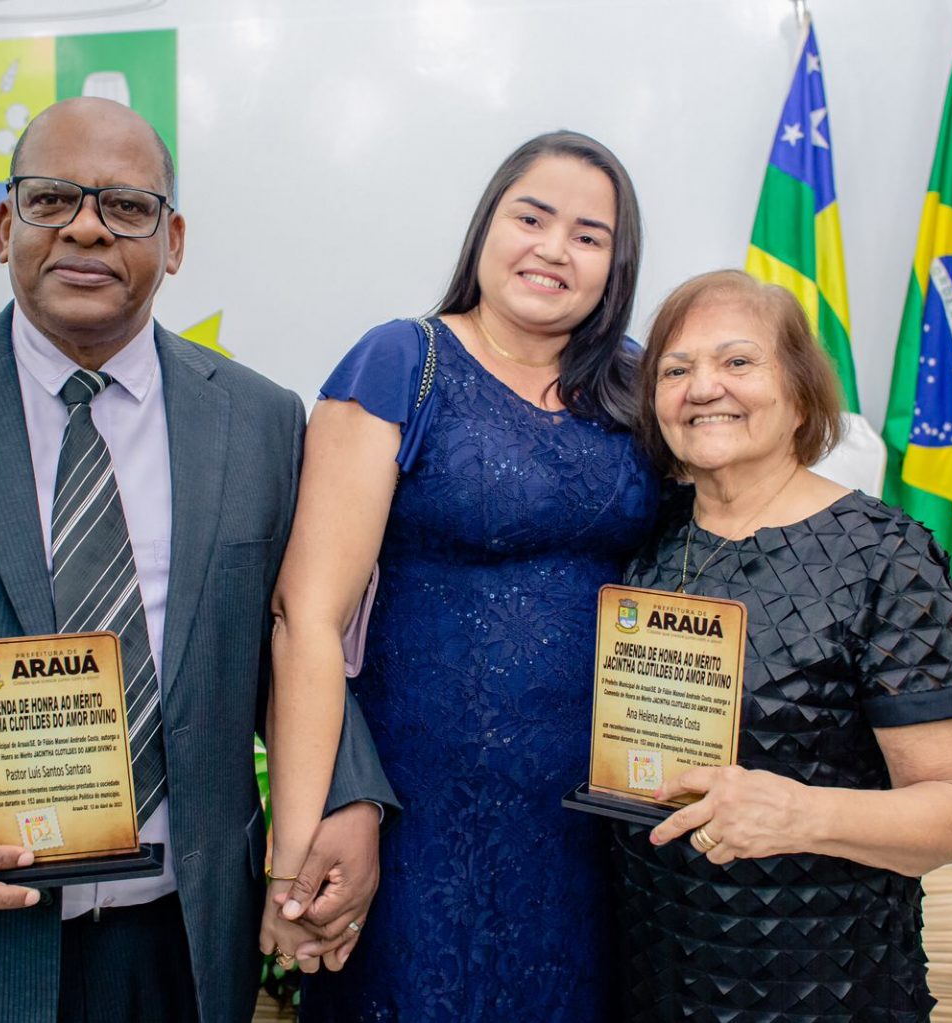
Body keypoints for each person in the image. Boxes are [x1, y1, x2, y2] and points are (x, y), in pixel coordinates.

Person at [0, 97, 395, 1023]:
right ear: (6, 225)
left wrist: (349, 797)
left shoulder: (259, 421)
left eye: (126, 206)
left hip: (186, 946)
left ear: (172, 242)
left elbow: (289, 636)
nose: (87, 227)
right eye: (52, 199)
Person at [260, 131, 660, 1021]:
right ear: (487, 227)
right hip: (420, 815)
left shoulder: (639, 385)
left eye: (589, 235)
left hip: (600, 825)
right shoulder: (405, 361)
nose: (554, 249)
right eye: (532, 218)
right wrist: (302, 836)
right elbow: (306, 616)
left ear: (616, 266)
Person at [611, 268, 952, 1021]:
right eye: (675, 370)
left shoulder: (884, 558)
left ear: (800, 393)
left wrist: (801, 813)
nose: (703, 387)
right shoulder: (646, 541)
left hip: (821, 977)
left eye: (737, 361)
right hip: (652, 965)